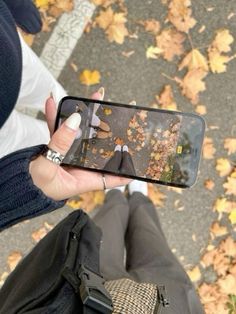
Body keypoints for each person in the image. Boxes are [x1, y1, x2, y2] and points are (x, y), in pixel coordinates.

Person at [0, 0, 67, 159]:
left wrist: (17, 4)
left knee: (59, 101)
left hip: (10, 59)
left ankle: (97, 142)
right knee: (38, 144)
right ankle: (87, 157)